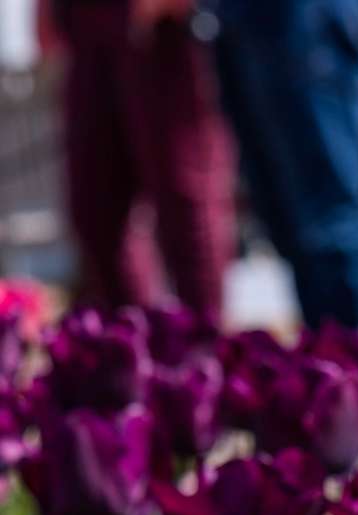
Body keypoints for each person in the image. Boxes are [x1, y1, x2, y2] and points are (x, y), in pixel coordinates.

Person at [46, 0, 235, 319]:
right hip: (87, 27)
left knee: (184, 205)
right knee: (95, 210)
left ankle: (206, 350)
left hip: (159, 29)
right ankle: (137, 346)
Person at [210, 0, 358, 329]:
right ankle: (328, 367)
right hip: (251, 22)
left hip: (306, 21)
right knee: (291, 227)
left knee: (334, 226)